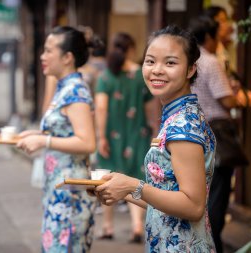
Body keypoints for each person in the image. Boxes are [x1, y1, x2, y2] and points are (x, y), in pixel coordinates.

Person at [93, 25, 216, 252]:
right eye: (150, 61)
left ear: (190, 69)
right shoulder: (177, 117)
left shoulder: (183, 128)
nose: (156, 70)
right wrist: (122, 190)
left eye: (170, 63)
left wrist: (133, 184)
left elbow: (193, 206)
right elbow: (165, 199)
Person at [17, 26, 98, 252]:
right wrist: (35, 135)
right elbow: (64, 132)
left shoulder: (75, 92)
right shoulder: (64, 89)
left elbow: (87, 142)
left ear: (67, 58)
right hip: (59, 190)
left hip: (70, 195)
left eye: (48, 51)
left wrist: (44, 141)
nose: (43, 56)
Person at [188, 15, 251, 253]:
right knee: (217, 193)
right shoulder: (211, 61)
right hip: (216, 132)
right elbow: (225, 98)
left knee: (201, 191)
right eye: (218, 35)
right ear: (209, 37)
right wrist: (242, 98)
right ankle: (212, 244)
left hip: (195, 129)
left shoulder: (190, 59)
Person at [95, 32, 155, 243]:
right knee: (135, 179)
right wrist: (153, 131)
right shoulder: (141, 75)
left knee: (106, 180)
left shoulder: (105, 76)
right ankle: (137, 226)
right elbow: (149, 108)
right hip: (137, 133)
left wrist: (101, 136)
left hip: (111, 135)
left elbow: (101, 108)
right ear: (131, 49)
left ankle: (108, 226)